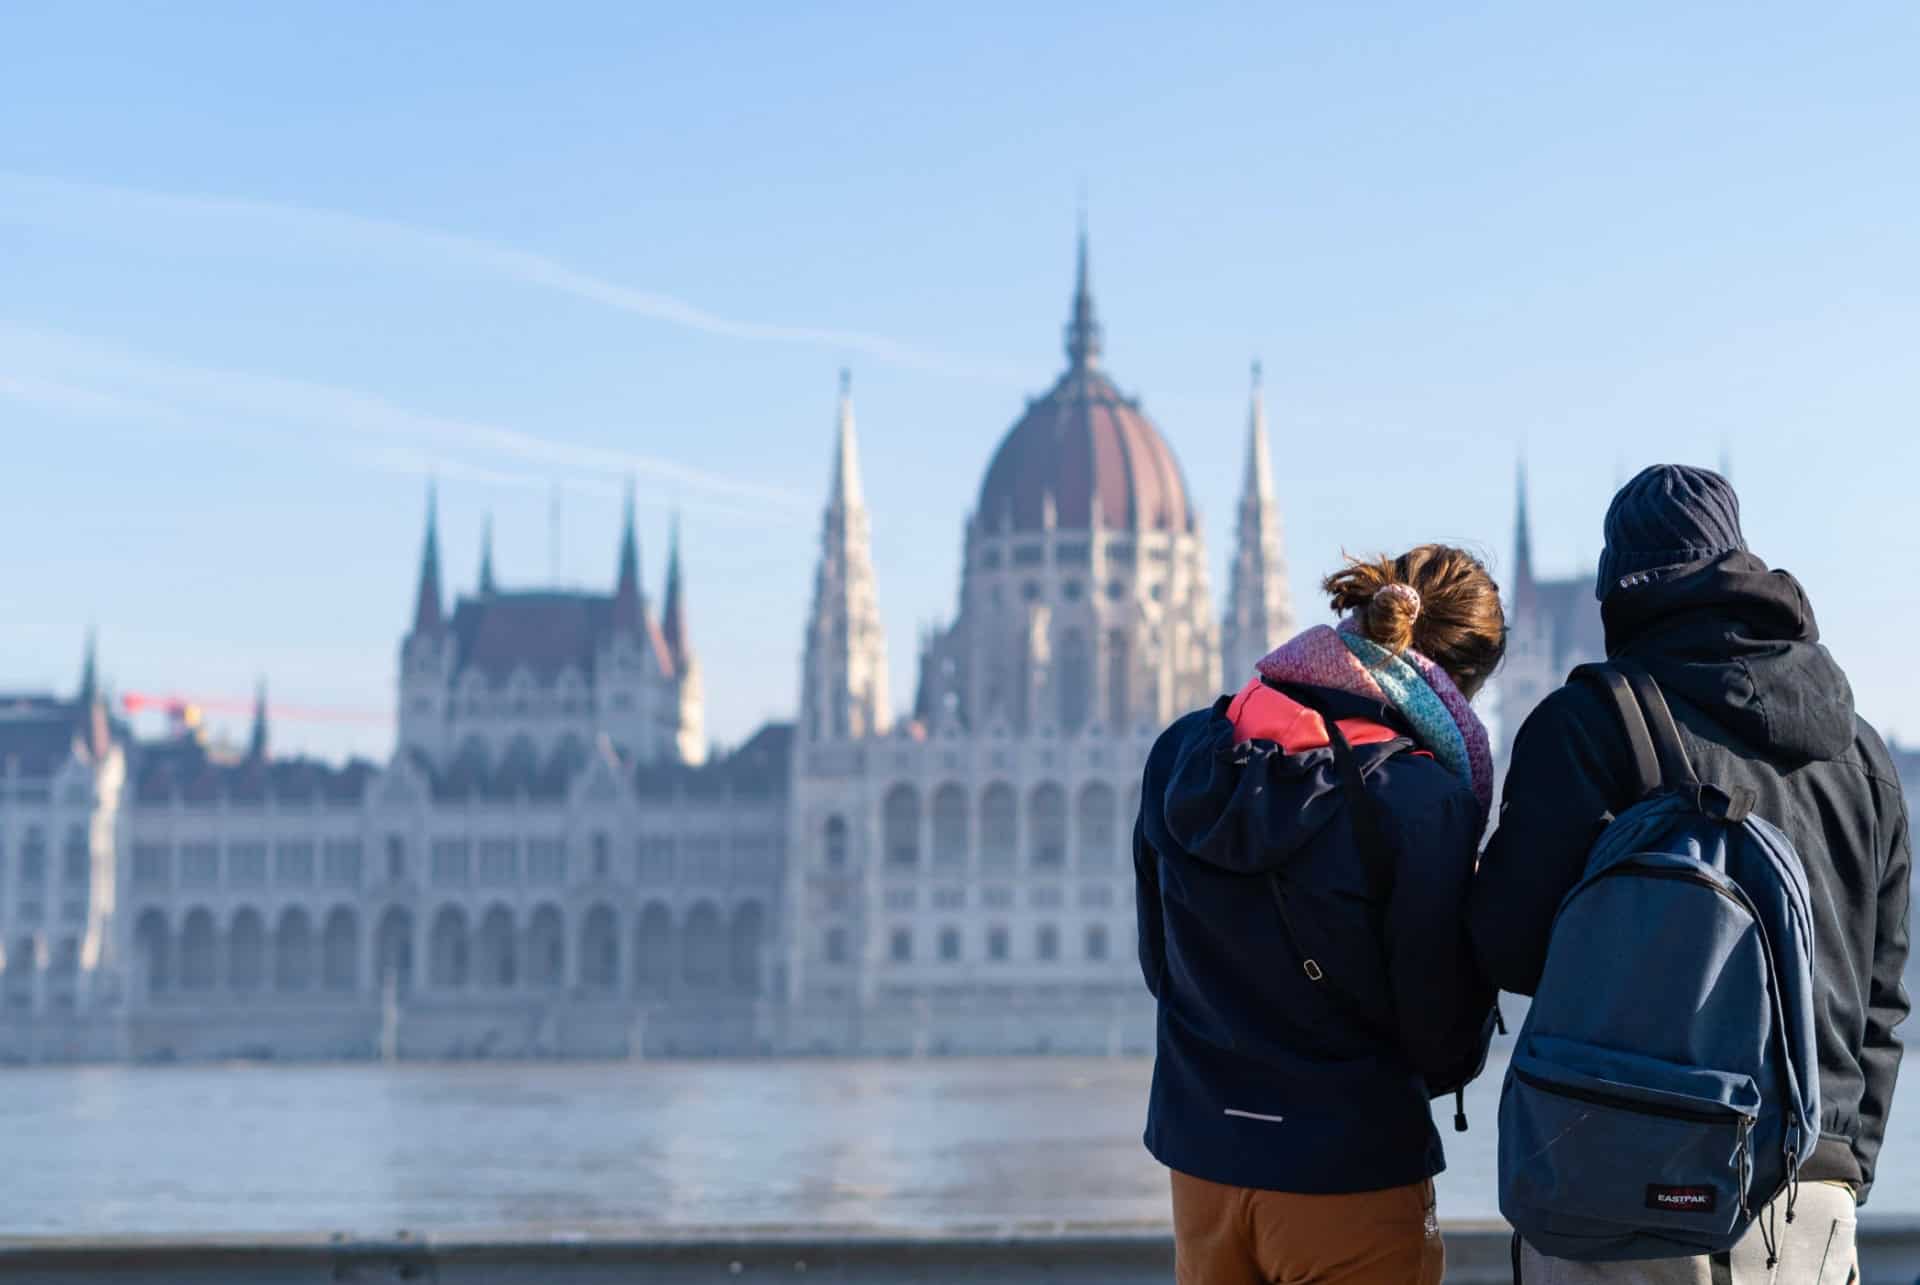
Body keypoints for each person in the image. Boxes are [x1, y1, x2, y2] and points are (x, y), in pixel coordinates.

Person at [1473, 464, 1911, 1283]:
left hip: (1626, 1195)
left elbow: (1506, 947)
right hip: (1812, 1210)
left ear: (1617, 592)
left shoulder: (1586, 728)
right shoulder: (1864, 754)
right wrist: (1843, 1166)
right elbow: (1882, 998)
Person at [1134, 545, 1507, 1285]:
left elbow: (1160, 963)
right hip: (1349, 1167)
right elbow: (1439, 1033)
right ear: (1457, 685)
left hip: (1202, 1157)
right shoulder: (1422, 801)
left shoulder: (1183, 752)